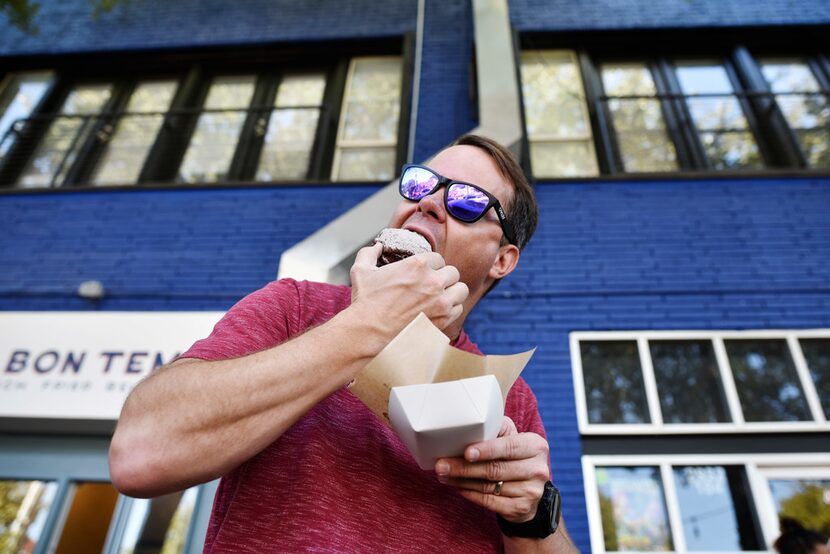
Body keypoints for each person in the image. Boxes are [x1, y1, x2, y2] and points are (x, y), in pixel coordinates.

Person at [109, 134, 579, 553]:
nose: (429, 204)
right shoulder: (294, 307)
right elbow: (139, 455)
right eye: (420, 185)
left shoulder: (511, 398)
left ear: (503, 260)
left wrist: (533, 517)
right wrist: (369, 325)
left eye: (466, 202)